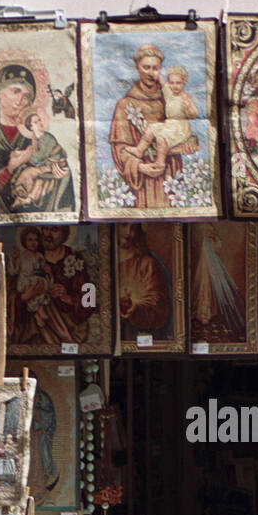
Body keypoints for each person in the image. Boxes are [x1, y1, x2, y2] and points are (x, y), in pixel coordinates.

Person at [0, 63, 74, 216]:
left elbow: (60, 166)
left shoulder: (38, 135)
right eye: (15, 91)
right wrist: (10, 168)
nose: (21, 100)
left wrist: (52, 172)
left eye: (27, 96)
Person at [109, 44, 197, 208]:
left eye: (155, 68)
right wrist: (141, 167)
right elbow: (119, 149)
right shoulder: (125, 104)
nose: (151, 72)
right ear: (137, 68)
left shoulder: (169, 99)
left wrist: (186, 146)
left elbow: (184, 129)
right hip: (142, 183)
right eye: (146, 67)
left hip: (170, 177)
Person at [125, 66, 198, 172]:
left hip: (180, 128)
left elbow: (193, 115)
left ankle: (160, 163)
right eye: (172, 83)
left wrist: (189, 107)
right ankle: (139, 150)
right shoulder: (169, 94)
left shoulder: (185, 97)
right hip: (169, 125)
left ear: (183, 83)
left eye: (178, 83)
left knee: (161, 139)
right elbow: (162, 82)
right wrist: (154, 73)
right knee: (151, 128)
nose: (175, 86)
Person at [116, 222, 172, 340]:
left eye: (133, 229)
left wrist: (134, 308)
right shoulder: (102, 261)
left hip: (137, 334)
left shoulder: (146, 264)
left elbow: (157, 306)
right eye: (124, 225)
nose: (128, 234)